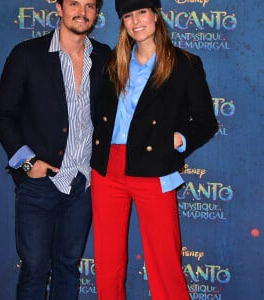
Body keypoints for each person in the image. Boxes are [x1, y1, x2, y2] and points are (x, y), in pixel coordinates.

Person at [90, 0, 218, 299]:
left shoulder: (184, 64)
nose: (136, 21)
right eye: (128, 15)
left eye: (142, 12)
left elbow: (205, 121)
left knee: (164, 260)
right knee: (107, 261)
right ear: (122, 22)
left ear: (156, 15)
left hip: (154, 167)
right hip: (107, 168)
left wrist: (177, 139)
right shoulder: (113, 63)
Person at [0, 0, 110, 299]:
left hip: (82, 184)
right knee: (34, 271)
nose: (82, 11)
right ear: (58, 7)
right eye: (73, 3)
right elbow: (2, 115)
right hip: (39, 185)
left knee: (68, 267)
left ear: (97, 12)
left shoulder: (106, 57)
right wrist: (28, 163)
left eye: (90, 5)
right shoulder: (27, 54)